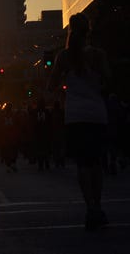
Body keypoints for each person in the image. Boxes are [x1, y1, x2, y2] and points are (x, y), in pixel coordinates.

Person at [48, 12, 110, 231]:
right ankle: (99, 205)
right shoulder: (98, 55)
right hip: (96, 114)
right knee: (96, 164)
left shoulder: (64, 57)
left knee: (83, 164)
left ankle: (90, 206)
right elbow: (108, 82)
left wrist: (65, 86)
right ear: (89, 31)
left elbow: (51, 84)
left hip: (75, 116)